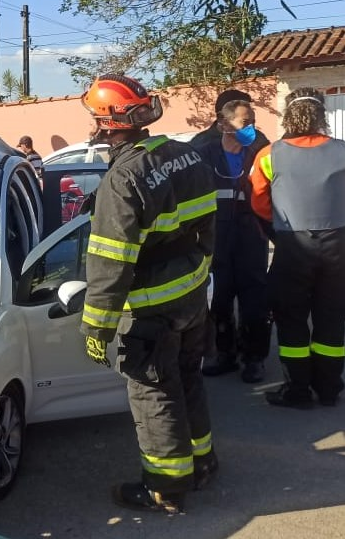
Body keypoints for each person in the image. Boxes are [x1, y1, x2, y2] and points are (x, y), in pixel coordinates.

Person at [79, 73, 218, 515]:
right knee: (187, 378)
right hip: (192, 295)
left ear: (108, 122)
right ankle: (203, 462)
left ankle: (165, 487)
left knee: (154, 392)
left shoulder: (123, 179)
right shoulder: (186, 155)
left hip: (150, 308)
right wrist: (201, 271)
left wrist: (96, 327)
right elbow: (207, 224)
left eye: (94, 118)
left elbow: (110, 262)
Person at [250, 87, 345, 409]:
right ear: (321, 115)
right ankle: (330, 388)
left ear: (288, 115)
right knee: (332, 318)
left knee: (291, 318)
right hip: (339, 246)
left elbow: (259, 203)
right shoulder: (343, 151)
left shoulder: (268, 155)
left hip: (292, 246)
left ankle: (298, 391)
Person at [196, 99, 271, 383]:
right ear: (223, 125)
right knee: (220, 298)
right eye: (245, 121)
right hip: (216, 236)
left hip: (252, 235)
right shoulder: (203, 154)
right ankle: (223, 354)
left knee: (254, 299)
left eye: (252, 120)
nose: (251, 127)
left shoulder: (260, 153)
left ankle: (254, 358)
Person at [190, 88, 270, 150]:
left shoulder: (259, 139)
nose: (251, 127)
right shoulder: (200, 145)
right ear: (222, 119)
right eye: (244, 121)